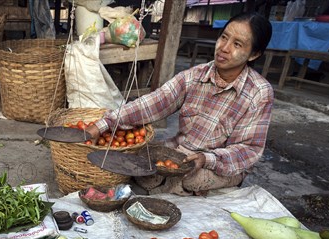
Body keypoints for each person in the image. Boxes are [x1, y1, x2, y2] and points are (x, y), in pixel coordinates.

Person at [86, 12, 274, 196]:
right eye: (224, 37)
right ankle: (168, 187)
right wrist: (106, 123)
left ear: (254, 54)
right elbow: (153, 103)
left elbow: (249, 149)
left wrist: (207, 159)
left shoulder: (259, 92)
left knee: (189, 179)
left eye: (237, 44)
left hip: (219, 163)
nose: (224, 47)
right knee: (137, 158)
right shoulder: (194, 76)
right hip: (180, 151)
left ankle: (174, 188)